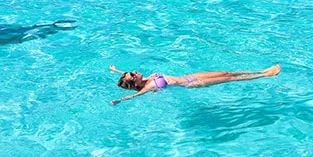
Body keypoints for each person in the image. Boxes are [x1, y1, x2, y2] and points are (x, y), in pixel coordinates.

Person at [109, 63, 281, 105]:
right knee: (230, 78)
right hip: (193, 83)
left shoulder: (144, 78)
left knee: (227, 72)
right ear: (135, 81)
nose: (133, 72)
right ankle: (266, 75)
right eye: (132, 74)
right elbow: (135, 95)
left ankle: (261, 70)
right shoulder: (149, 86)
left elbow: (126, 78)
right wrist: (120, 100)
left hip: (189, 75)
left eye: (130, 72)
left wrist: (116, 70)